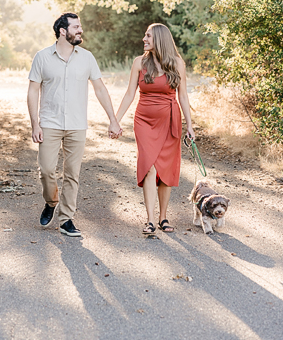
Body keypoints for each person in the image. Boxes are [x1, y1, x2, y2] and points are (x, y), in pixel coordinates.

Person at [28, 13, 121, 237]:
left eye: (80, 26)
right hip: (50, 122)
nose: (81, 30)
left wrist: (113, 118)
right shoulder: (42, 57)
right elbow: (33, 91)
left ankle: (66, 219)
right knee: (47, 170)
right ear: (63, 30)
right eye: (76, 27)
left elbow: (100, 89)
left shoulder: (87, 58)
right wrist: (34, 124)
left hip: (77, 125)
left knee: (72, 174)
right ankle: (51, 202)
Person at [114, 23, 195, 235]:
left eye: (148, 36)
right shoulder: (139, 63)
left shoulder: (177, 63)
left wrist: (190, 126)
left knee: (166, 169)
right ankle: (150, 220)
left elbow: (183, 96)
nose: (144, 39)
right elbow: (130, 94)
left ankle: (163, 217)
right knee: (148, 165)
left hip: (169, 120)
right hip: (144, 121)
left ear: (159, 38)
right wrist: (116, 120)